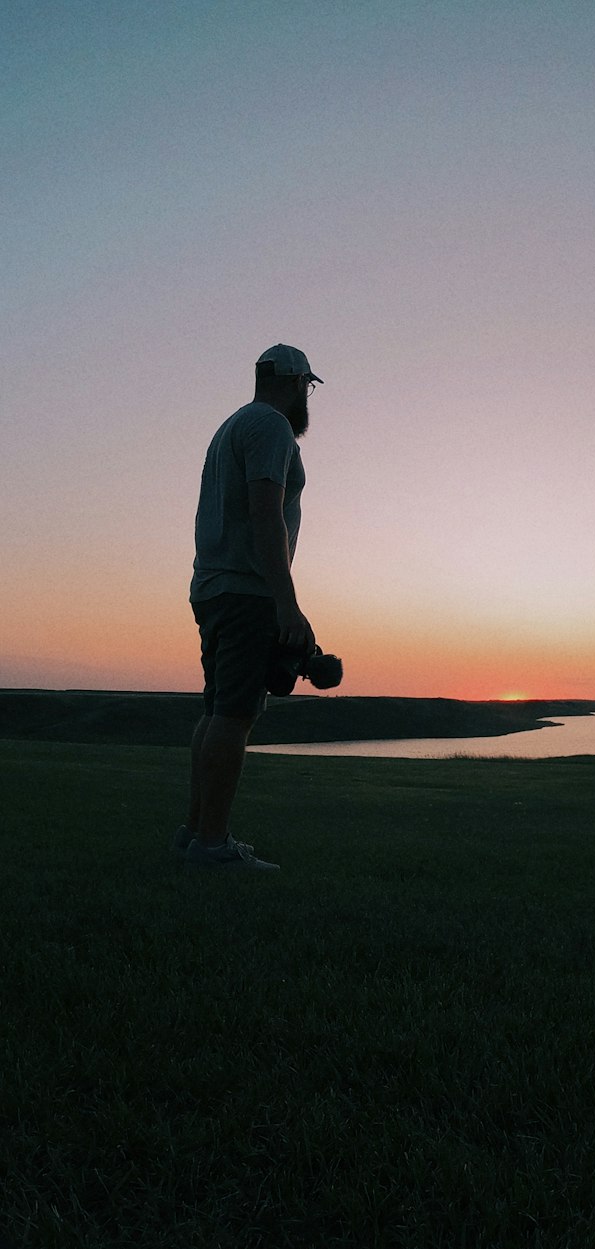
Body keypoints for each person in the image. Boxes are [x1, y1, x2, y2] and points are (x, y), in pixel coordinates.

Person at [177, 344, 323, 870]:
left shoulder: (232, 426)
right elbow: (267, 517)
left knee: (217, 711)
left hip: (214, 587)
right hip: (246, 591)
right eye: (307, 386)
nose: (308, 397)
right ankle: (212, 846)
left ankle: (196, 833)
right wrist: (288, 606)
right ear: (292, 381)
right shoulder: (272, 428)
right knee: (236, 715)